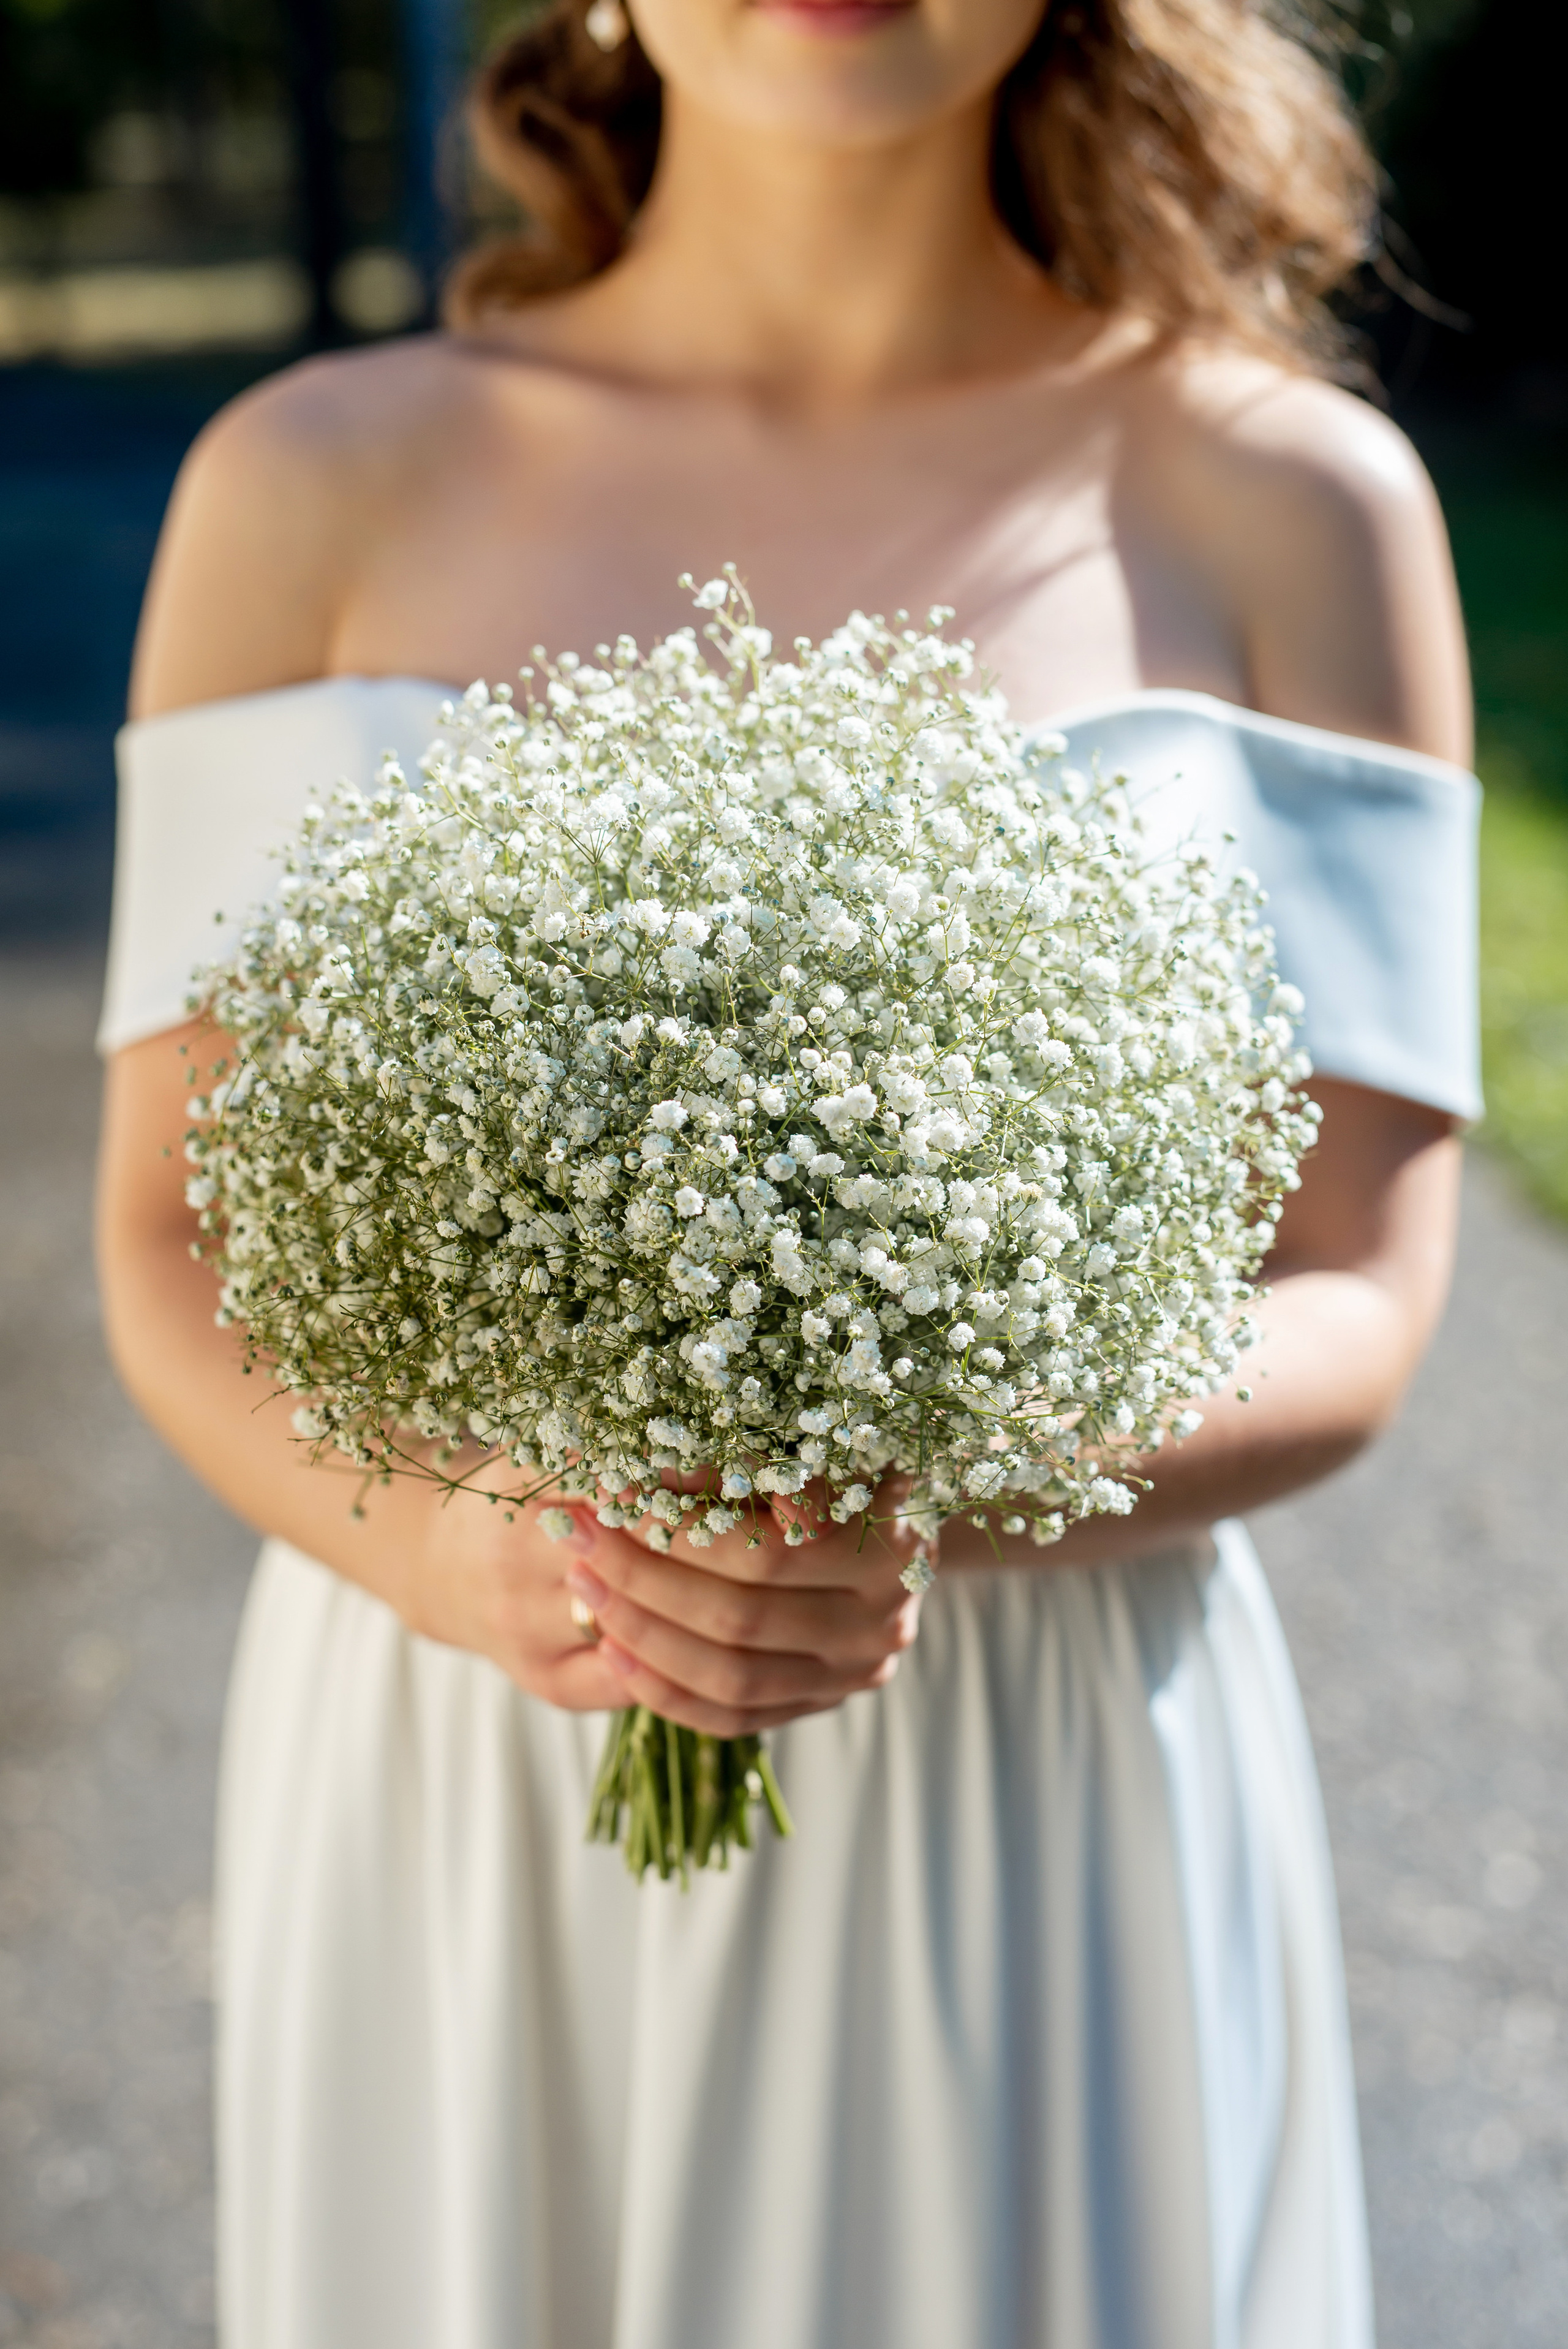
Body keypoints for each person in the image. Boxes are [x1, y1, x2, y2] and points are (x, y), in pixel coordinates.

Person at [95, 2, 1479, 2343]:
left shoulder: (1299, 502)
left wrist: (938, 1476)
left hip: (1036, 1794)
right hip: (466, 1758)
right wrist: (452, 1552)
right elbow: (166, 1238)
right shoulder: (308, 479)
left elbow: (1361, 1284)